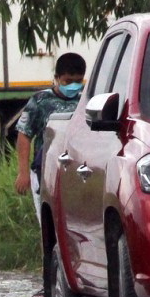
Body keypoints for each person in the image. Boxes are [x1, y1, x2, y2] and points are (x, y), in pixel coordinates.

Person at [14, 52, 89, 197]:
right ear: (57, 78)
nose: (73, 86)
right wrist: (23, 173)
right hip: (45, 171)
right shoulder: (40, 101)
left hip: (78, 172)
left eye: (78, 81)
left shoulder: (86, 100)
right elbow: (24, 135)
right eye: (68, 81)